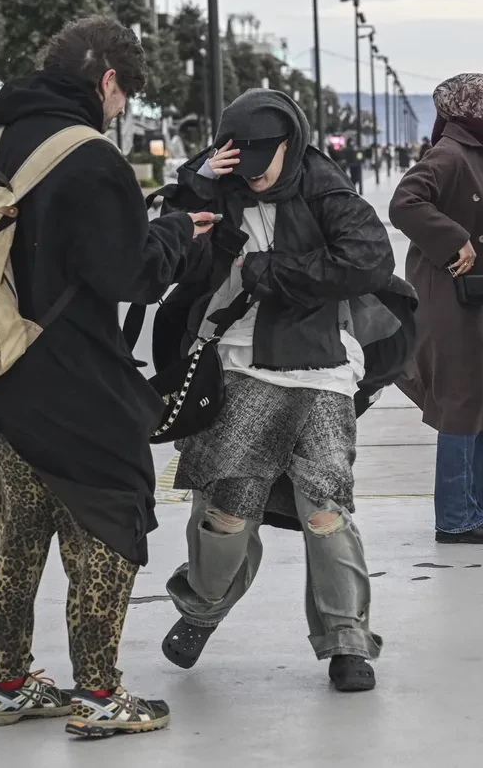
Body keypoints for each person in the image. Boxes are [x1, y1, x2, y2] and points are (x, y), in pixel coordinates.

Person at [0, 16, 212, 736]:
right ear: (107, 80)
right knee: (108, 521)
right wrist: (175, 230)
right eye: (125, 94)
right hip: (71, 383)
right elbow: (129, 273)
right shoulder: (91, 156)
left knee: (12, 535)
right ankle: (102, 696)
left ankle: (8, 684)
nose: (122, 108)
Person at [153, 89, 416, 692]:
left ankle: (347, 641)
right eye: (240, 163)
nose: (254, 177)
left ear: (289, 146)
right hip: (237, 367)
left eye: (262, 163)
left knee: (326, 508)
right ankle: (202, 607)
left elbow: (369, 259)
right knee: (226, 509)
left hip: (320, 370)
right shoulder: (214, 186)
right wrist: (194, 188)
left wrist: (270, 272)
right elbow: (177, 270)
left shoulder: (328, 189)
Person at [389, 74, 483, 544]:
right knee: (462, 404)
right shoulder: (448, 154)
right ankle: (455, 516)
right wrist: (454, 239)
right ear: (470, 109)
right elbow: (405, 203)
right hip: (450, 301)